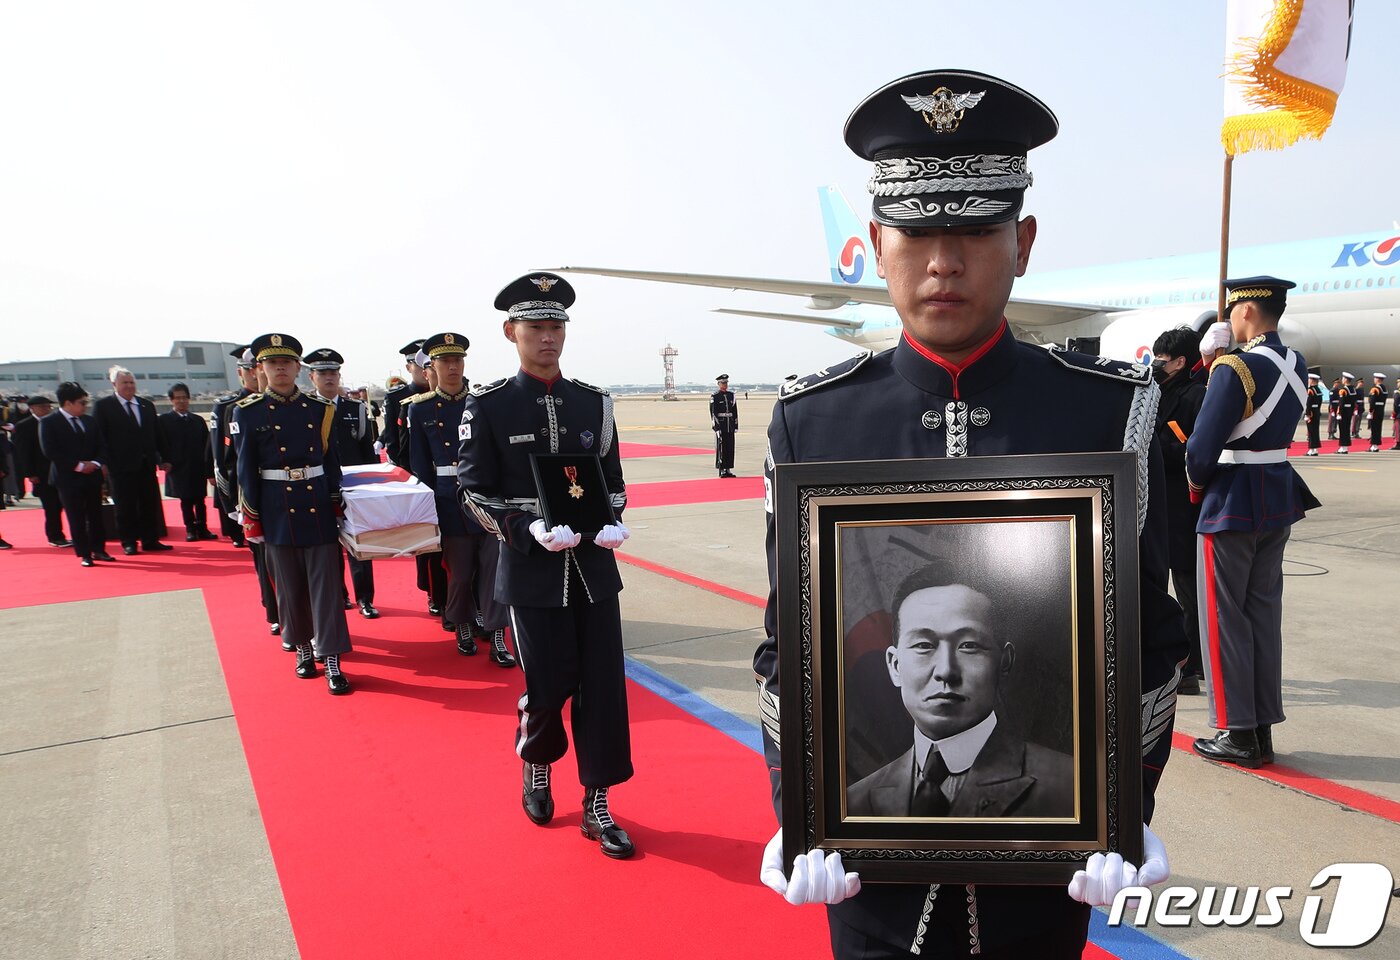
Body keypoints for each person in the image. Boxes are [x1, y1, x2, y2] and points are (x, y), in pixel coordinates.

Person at [753, 70, 1184, 958]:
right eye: (916, 233)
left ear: (1022, 242)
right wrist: (795, 804)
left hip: (1044, 873)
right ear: (877, 242)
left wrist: (1121, 806)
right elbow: (786, 646)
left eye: (975, 231)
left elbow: (1151, 642)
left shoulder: (1113, 415)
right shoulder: (813, 420)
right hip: (870, 879)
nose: (943, 261)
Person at [457, 273, 636, 859]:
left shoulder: (593, 403)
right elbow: (475, 493)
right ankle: (537, 762)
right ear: (511, 332)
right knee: (547, 682)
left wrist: (611, 519)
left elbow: (612, 483)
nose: (548, 338)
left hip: (592, 570)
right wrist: (526, 528)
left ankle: (598, 799)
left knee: (604, 687)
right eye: (536, 327)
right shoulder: (488, 406)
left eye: (556, 326)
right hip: (531, 572)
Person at [1188, 277, 1319, 768]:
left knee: (1222, 617)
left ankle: (1237, 732)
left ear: (1243, 311)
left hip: (1232, 497)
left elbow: (1202, 447)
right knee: (1263, 614)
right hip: (1277, 492)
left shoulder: (1235, 366)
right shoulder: (1295, 361)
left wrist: (1195, 489)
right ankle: (1260, 727)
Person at [847, 564, 1072, 819]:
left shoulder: (1072, 788)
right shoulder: (854, 804)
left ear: (1005, 662)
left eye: (969, 645)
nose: (946, 671)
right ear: (895, 666)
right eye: (923, 645)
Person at [232, 333, 352, 696]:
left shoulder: (320, 409)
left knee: (327, 587)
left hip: (315, 505)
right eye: (271, 363)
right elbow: (244, 469)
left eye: (286, 363)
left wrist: (337, 503)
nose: (279, 369)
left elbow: (331, 463)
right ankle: (302, 647)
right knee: (289, 586)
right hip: (275, 507)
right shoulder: (247, 412)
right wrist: (251, 517)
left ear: (298, 368)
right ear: (260, 369)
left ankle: (330, 656)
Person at [405, 334, 514, 665]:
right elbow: (420, 465)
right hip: (448, 501)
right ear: (432, 367)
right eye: (445, 362)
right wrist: (426, 511)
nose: (453, 367)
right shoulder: (419, 409)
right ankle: (463, 624)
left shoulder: (482, 402)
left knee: (494, 569)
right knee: (461, 572)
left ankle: (497, 635)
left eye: (458, 361)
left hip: (486, 497)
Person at [1151, 327, 1208, 694]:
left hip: (1184, 505)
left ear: (1181, 362)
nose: (1156, 365)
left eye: (1162, 359)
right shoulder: (1156, 393)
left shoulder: (1196, 396)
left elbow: (1196, 451)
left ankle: (1191, 667)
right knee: (1157, 588)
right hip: (1158, 504)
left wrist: (1160, 447)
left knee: (1188, 592)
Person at [306, 348, 381, 619]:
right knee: (328, 546)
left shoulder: (355, 408)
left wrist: (370, 488)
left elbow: (366, 451)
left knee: (359, 546)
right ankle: (339, 594)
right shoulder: (307, 409)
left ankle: (365, 599)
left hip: (353, 487)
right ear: (311, 376)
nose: (329, 377)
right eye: (323, 373)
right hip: (321, 487)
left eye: (333, 372)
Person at [213, 346, 281, 639]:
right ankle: (274, 612)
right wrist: (233, 504)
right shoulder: (232, 408)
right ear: (245, 371)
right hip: (252, 499)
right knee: (264, 560)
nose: (258, 372)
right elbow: (224, 461)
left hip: (280, 495)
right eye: (253, 367)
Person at [92, 367, 171, 554]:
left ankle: (150, 540)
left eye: (131, 382)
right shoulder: (103, 407)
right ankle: (129, 542)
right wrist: (102, 462)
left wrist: (164, 458)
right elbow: (99, 437)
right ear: (114, 384)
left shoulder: (146, 405)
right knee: (125, 506)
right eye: (124, 383)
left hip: (146, 464)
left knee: (149, 504)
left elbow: (157, 434)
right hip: (119, 466)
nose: (129, 386)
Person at [37, 382, 114, 567]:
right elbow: (50, 451)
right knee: (76, 517)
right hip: (68, 478)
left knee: (95, 515)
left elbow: (102, 446)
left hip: (92, 476)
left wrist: (95, 463)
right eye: (81, 402)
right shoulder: (49, 422)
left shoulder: (89, 421)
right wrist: (79, 466)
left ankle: (99, 549)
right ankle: (84, 553)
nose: (85, 405)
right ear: (68, 403)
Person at [157, 383, 216, 541]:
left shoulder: (197, 420)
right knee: (186, 500)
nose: (182, 401)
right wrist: (163, 462)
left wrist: (209, 467)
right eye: (178, 398)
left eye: (184, 397)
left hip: (197, 466)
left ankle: (203, 528)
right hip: (178, 468)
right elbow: (159, 444)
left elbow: (207, 445)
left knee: (200, 500)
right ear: (171, 400)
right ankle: (190, 529)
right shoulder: (164, 421)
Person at [13, 394, 70, 546]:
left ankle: (61, 534)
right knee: (51, 506)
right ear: (32, 408)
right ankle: (55, 536)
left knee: (61, 503)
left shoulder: (54, 422)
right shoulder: (24, 426)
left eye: (48, 406)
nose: (47, 409)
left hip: (58, 469)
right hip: (41, 473)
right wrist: (30, 473)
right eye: (43, 407)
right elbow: (23, 452)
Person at [710, 373, 739, 477]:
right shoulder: (715, 396)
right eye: (723, 383)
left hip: (729, 425)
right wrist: (716, 427)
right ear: (718, 384)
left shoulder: (731, 395)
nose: (725, 384)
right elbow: (713, 413)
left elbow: (735, 411)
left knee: (730, 447)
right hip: (721, 425)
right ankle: (722, 468)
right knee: (722, 447)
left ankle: (728, 468)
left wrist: (735, 425)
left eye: (726, 383)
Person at [1334, 372, 1356, 453]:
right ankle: (1345, 446)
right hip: (1349, 411)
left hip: (1343, 412)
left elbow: (1341, 403)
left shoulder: (1343, 390)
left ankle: (1343, 447)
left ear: (1346, 380)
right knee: (1347, 429)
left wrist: (1339, 413)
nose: (1342, 380)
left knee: (1343, 429)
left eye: (1343, 378)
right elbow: (1354, 402)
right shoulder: (1353, 389)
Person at [1366, 373, 1387, 452]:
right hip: (1381, 409)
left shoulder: (1375, 389)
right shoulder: (1384, 388)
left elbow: (1372, 401)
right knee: (1378, 428)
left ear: (1378, 379)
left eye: (1375, 378)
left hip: (1375, 410)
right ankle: (1376, 444)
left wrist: (1370, 411)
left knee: (1374, 428)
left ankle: (1374, 445)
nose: (1374, 380)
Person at [1303, 372, 1323, 455]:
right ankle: (1315, 448)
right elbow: (1319, 402)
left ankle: (1311, 449)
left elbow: (1309, 403)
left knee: (1311, 431)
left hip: (1311, 413)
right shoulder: (1318, 390)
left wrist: (1307, 414)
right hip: (1316, 411)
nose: (1308, 381)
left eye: (1309, 379)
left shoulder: (1311, 390)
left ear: (1312, 380)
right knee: (1315, 431)